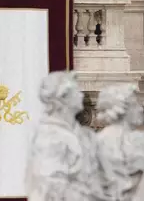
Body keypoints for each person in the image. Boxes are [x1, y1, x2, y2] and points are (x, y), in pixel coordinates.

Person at [26, 72, 105, 201]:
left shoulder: (83, 134)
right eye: (77, 91)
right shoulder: (50, 137)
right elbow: (50, 187)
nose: (82, 95)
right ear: (63, 97)